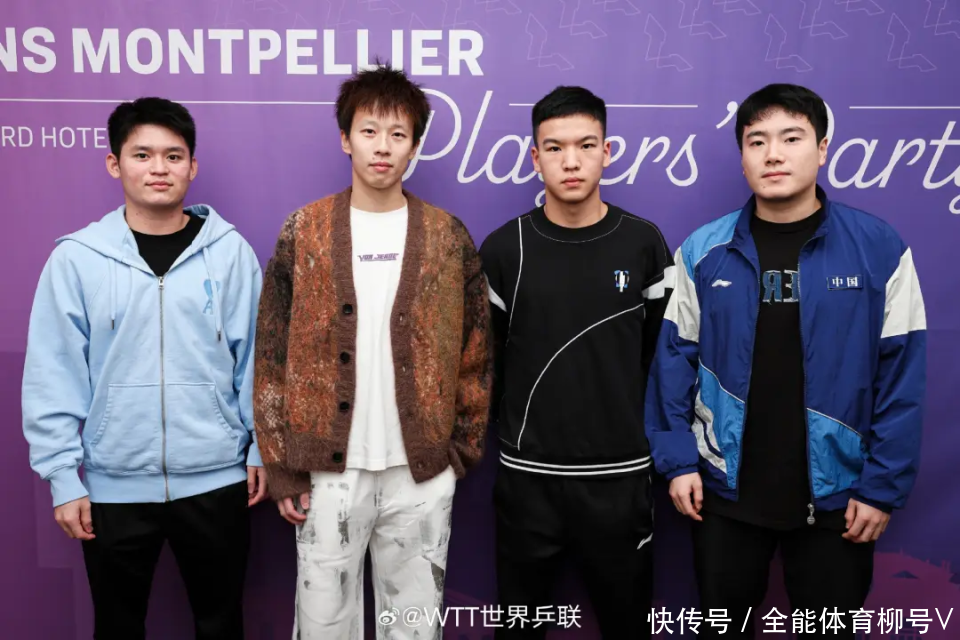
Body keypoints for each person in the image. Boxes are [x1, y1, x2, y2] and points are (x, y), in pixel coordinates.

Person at [645, 83, 926, 638]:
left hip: (839, 499)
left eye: (791, 138)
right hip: (723, 494)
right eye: (757, 141)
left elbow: (902, 378)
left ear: (822, 149)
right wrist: (678, 462)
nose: (773, 154)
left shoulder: (880, 249)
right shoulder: (703, 250)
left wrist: (880, 488)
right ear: (743, 157)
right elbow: (672, 363)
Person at [253, 62, 492, 640]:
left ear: (414, 146)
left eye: (398, 134)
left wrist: (458, 450)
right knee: (323, 624)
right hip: (327, 471)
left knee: (414, 625)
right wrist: (283, 466)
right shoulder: (305, 231)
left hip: (421, 470)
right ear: (345, 138)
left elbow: (476, 353)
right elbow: (272, 354)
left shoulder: (446, 235)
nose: (382, 147)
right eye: (369, 131)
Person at [21, 97, 266, 639]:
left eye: (173, 156)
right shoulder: (77, 258)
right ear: (115, 164)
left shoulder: (230, 254)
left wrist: (259, 448)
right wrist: (63, 477)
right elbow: (52, 371)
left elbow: (257, 359)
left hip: (217, 480)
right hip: (113, 487)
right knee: (117, 627)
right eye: (142, 155)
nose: (159, 168)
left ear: (192, 167)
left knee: (222, 625)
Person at [479, 86, 674, 639]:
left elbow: (662, 359)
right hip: (528, 480)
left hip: (620, 479)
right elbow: (486, 364)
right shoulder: (504, 249)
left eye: (586, 145)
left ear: (607, 152)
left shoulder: (643, 243)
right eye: (555, 147)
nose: (571, 161)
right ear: (534, 157)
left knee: (628, 626)